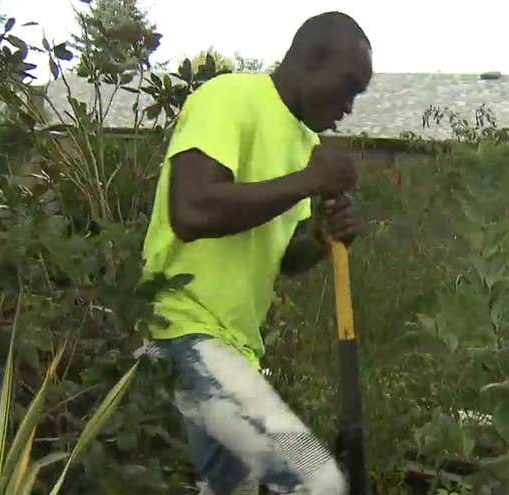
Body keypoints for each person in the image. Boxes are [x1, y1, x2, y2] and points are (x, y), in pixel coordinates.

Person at [138, 10, 373, 495]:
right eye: (348, 86)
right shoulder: (230, 97)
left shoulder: (305, 144)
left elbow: (282, 258)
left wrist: (318, 238)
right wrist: (311, 182)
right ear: (310, 58)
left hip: (236, 348)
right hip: (185, 328)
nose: (350, 105)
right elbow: (193, 210)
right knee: (316, 478)